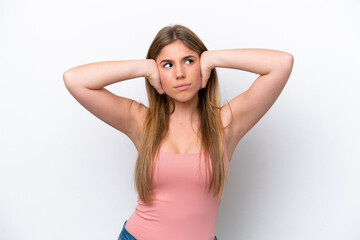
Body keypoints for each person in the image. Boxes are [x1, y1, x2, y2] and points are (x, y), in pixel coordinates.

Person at [63, 24, 294, 240]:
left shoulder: (225, 123)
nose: (180, 73)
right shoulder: (142, 122)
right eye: (167, 65)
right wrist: (143, 67)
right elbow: (75, 80)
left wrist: (213, 58)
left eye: (189, 61)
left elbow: (282, 64)